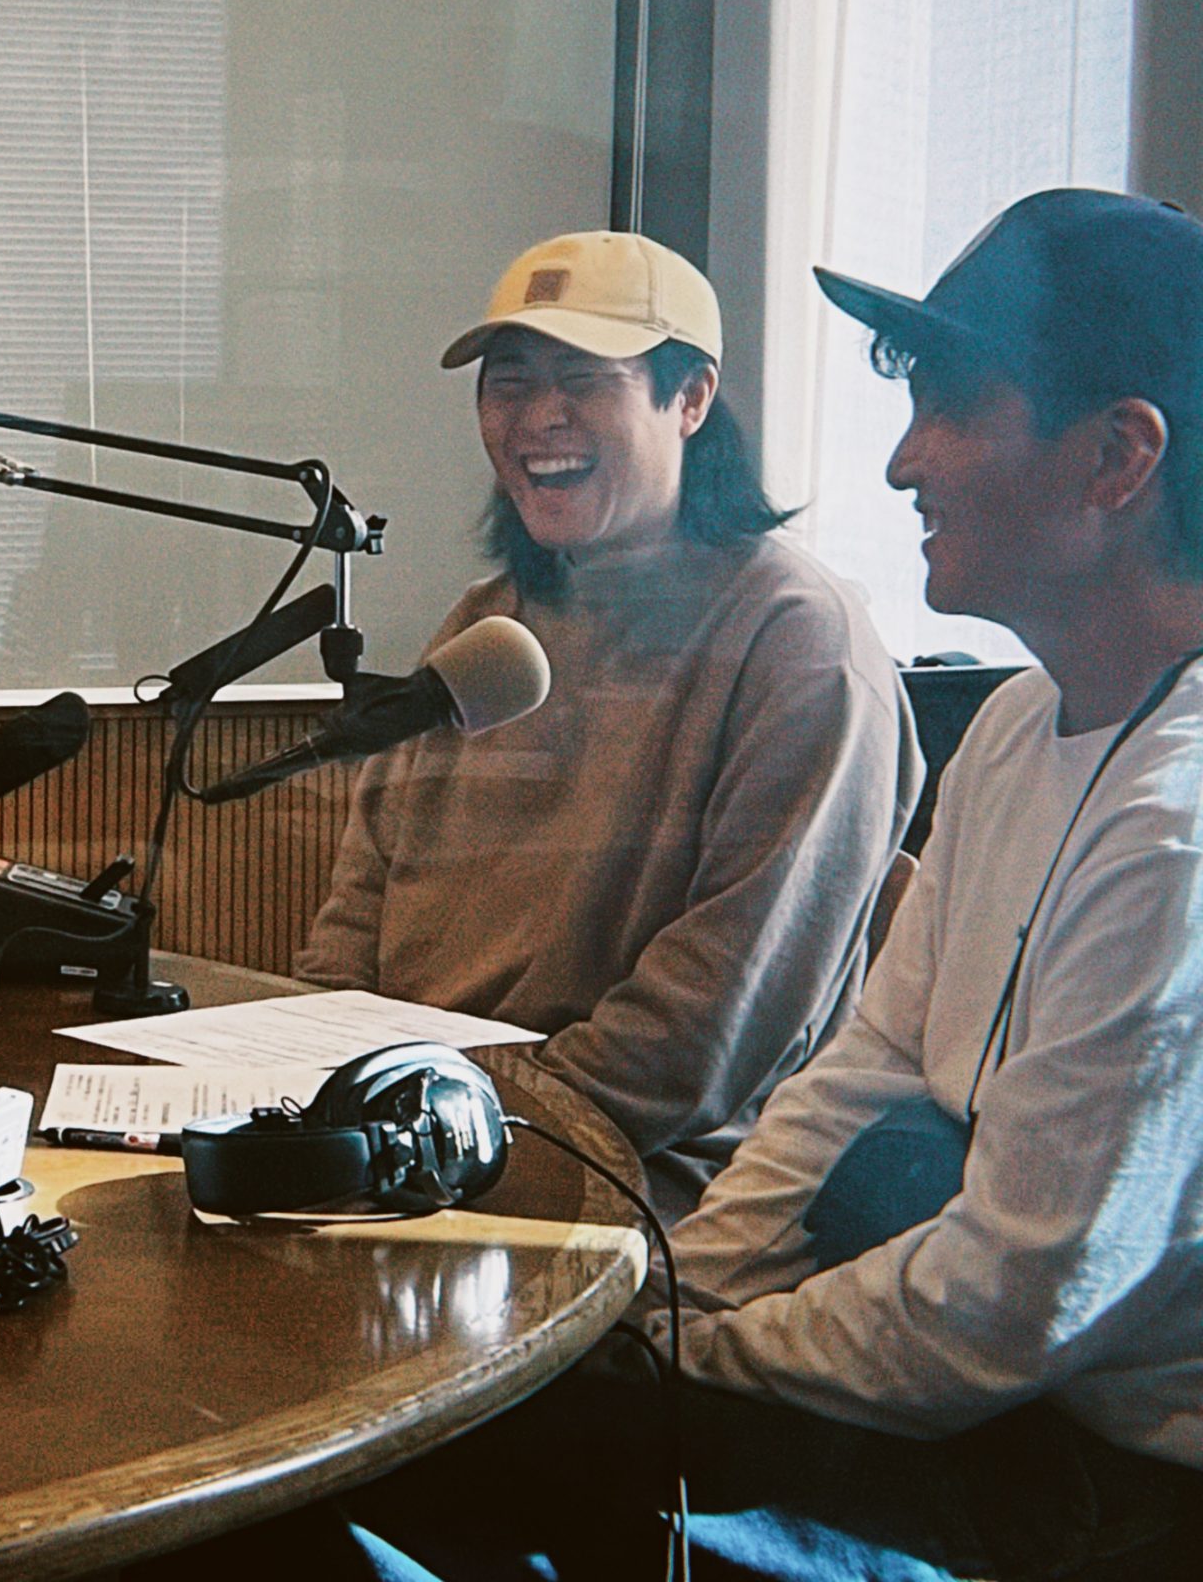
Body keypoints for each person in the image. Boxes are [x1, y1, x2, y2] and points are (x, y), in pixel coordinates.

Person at [290, 188, 1203, 1580]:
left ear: (1117, 458)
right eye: (511, 378)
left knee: (419, 1485)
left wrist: (685, 1351)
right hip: (950, 1387)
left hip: (1097, 1483)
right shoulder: (1026, 722)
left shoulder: (1171, 829)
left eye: (953, 408)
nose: (901, 460)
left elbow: (1014, 1305)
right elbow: (864, 1074)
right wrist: (673, 1316)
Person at [299, 231, 918, 1217]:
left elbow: (693, 1042)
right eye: (509, 382)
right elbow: (355, 916)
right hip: (412, 1141)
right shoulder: (484, 626)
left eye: (585, 378)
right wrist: (320, 1091)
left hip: (629, 1175)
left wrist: (437, 1129)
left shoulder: (799, 643)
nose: (539, 416)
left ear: (691, 398)